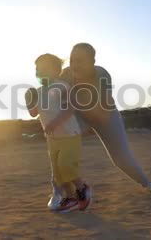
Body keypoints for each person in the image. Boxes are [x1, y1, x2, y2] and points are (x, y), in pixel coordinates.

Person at [45, 43, 151, 193]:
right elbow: (53, 97)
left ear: (92, 62)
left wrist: (83, 123)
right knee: (59, 149)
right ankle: (59, 193)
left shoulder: (101, 74)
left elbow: (102, 115)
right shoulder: (66, 75)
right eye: (72, 60)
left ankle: (147, 183)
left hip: (106, 116)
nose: (74, 65)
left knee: (121, 158)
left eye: (80, 60)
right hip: (78, 114)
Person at [25, 53, 92, 212]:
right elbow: (33, 113)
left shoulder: (61, 86)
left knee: (66, 166)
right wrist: (29, 99)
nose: (38, 71)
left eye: (42, 68)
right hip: (52, 138)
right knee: (58, 174)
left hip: (69, 134)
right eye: (37, 68)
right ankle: (71, 198)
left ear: (55, 70)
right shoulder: (39, 91)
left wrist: (55, 123)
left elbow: (69, 109)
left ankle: (83, 189)